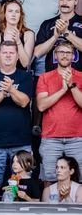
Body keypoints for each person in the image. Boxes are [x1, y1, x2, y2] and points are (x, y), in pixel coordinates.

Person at [0, 41, 33, 201]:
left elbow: (24, 102)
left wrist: (11, 89)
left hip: (21, 142)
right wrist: (4, 92)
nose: (8, 55)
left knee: (23, 186)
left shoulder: (25, 77)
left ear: (17, 56)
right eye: (5, 52)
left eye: (12, 53)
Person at [37, 41, 82, 183]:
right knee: (49, 180)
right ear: (55, 55)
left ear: (74, 56)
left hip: (77, 138)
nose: (65, 55)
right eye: (61, 52)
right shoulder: (45, 77)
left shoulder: (81, 76)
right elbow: (41, 106)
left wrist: (71, 86)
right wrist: (62, 90)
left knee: (78, 179)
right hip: (51, 138)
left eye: (68, 53)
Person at [13, 0, 64, 79]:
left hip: (44, 45)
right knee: (19, 77)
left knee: (41, 78)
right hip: (22, 41)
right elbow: (11, 8)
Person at [35, 0, 82, 73]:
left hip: (78, 76)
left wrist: (66, 33)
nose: (64, 2)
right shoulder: (47, 24)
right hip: (52, 76)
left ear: (76, 1)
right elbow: (37, 53)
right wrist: (55, 37)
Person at [0, 0, 35, 70]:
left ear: (20, 15)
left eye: (17, 12)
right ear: (5, 14)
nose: (14, 15)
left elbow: (25, 63)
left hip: (20, 74)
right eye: (10, 11)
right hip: (0, 75)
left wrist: (18, 41)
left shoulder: (29, 34)